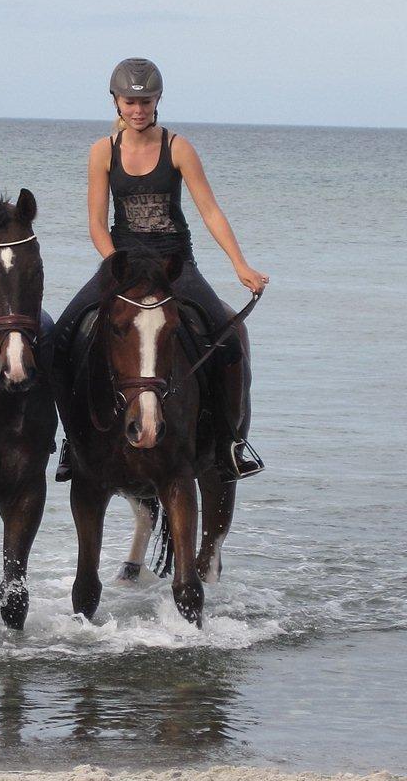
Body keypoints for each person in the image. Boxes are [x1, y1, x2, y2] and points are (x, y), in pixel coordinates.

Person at [53, 57, 268, 482]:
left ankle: (230, 443)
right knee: (61, 339)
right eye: (130, 101)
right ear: (115, 101)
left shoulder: (178, 148)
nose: (137, 109)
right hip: (122, 264)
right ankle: (70, 443)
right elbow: (97, 221)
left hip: (174, 265)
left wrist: (239, 263)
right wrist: (116, 264)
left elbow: (209, 209)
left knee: (228, 339)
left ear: (157, 101)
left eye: (146, 101)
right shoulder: (102, 152)